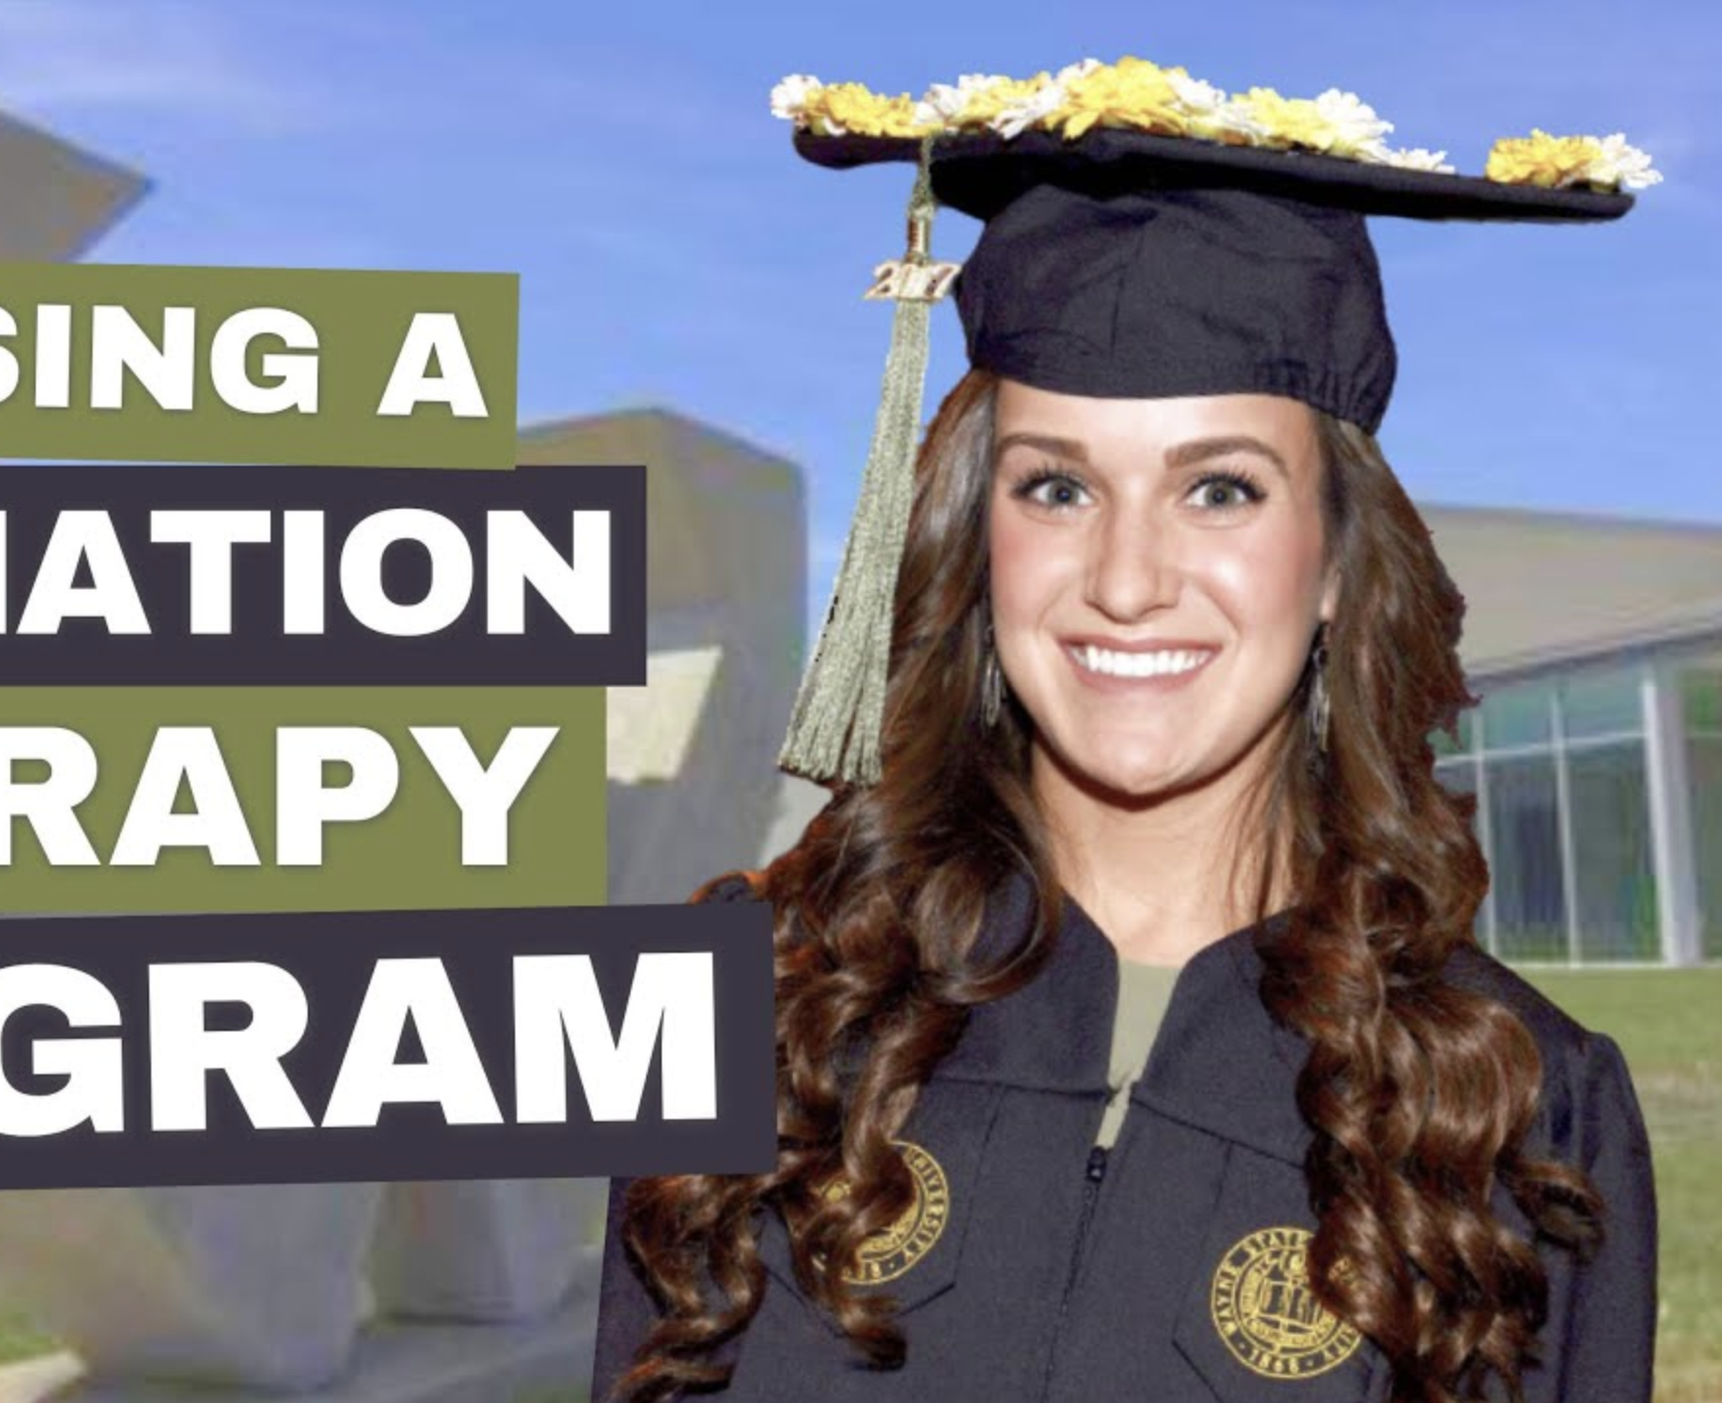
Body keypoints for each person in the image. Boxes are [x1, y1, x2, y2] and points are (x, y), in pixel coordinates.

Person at [589, 60, 1662, 1402]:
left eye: (1220, 487)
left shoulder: (1511, 1108)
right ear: (975, 535)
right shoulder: (754, 1015)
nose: (1127, 578)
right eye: (1055, 486)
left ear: (1334, 559)